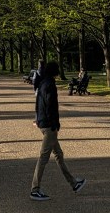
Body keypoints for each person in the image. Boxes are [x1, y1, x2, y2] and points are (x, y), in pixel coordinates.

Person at [30, 60, 86, 201]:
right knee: (43, 157)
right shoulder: (50, 85)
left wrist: (38, 119)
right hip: (49, 125)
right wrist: (55, 124)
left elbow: (39, 103)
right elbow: (51, 107)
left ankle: (74, 183)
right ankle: (35, 189)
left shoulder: (42, 83)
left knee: (58, 154)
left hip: (43, 122)